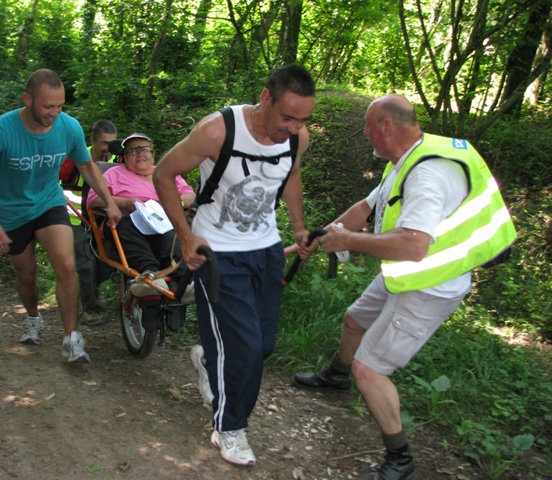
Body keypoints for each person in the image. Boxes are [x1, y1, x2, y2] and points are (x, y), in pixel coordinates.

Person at [292, 94, 516, 480]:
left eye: (367, 125)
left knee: (371, 370)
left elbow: (413, 245)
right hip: (408, 273)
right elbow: (364, 210)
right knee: (354, 320)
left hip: (431, 284)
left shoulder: (428, 174)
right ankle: (336, 376)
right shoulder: (409, 158)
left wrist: (347, 242)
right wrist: (319, 235)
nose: (363, 132)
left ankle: (400, 459)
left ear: (386, 127)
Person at [153, 64, 316, 466]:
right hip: (219, 252)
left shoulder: (297, 138)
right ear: (265, 98)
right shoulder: (218, 130)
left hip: (267, 249)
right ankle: (229, 426)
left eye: (302, 119)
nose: (293, 127)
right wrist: (187, 238)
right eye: (287, 117)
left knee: (263, 345)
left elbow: (291, 174)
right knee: (244, 347)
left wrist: (298, 229)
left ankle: (210, 360)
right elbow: (163, 173)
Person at [0, 68, 121, 363]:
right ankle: (34, 318)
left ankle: (71, 339)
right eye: (47, 106)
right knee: (27, 275)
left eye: (60, 106)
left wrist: (110, 201)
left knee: (65, 264)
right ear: (28, 100)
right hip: (12, 211)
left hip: (49, 203)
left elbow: (87, 166)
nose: (54, 113)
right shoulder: (2, 129)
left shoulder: (69, 127)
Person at [87, 132, 195, 295]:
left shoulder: (165, 172)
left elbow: (190, 195)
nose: (140, 154)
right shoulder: (113, 174)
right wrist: (126, 203)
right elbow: (93, 199)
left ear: (153, 154)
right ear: (125, 156)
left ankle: (187, 283)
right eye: (133, 151)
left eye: (144, 149)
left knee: (170, 232)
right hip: (127, 221)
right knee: (125, 222)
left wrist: (175, 203)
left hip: (162, 220)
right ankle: (149, 275)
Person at [62, 119, 118, 326]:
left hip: (103, 221)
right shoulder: (74, 159)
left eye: (111, 143)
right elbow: (54, 182)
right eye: (104, 143)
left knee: (110, 262)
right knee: (85, 266)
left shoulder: (117, 160)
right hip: (75, 219)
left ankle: (92, 293)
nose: (107, 148)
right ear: (92, 140)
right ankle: (89, 310)